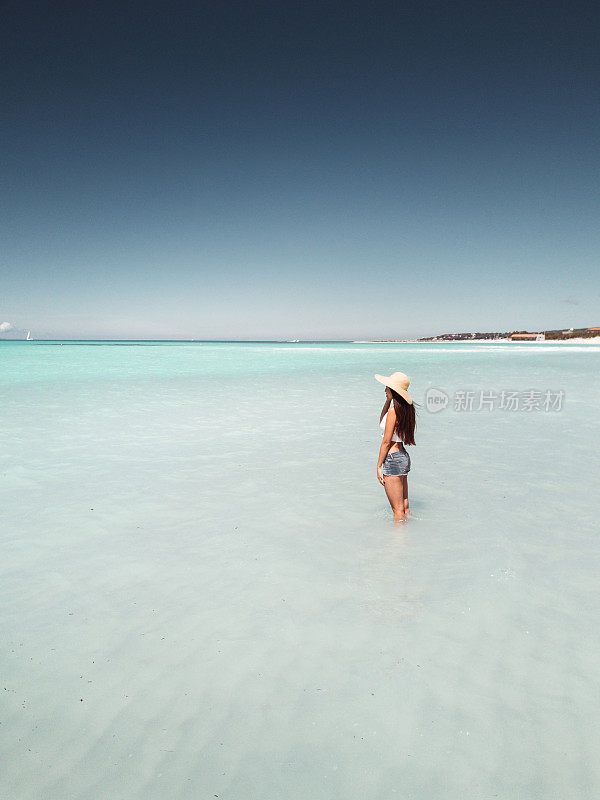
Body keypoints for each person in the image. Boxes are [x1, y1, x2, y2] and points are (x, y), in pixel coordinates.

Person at [375, 372, 417, 522]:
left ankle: (398, 541)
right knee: (404, 506)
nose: (385, 389)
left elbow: (386, 441)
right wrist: (388, 401)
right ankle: (408, 537)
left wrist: (379, 465)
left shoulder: (394, 412)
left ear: (393, 389)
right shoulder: (405, 409)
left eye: (387, 387)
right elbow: (382, 423)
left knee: (397, 510)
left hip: (392, 459)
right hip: (402, 457)